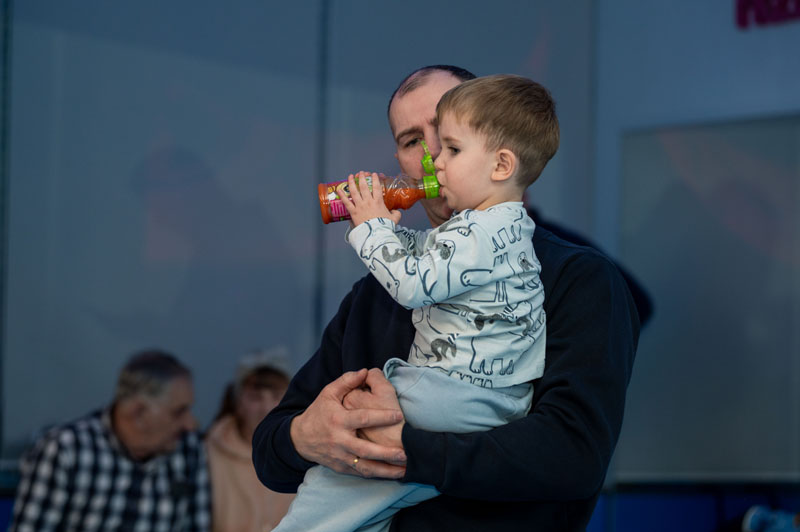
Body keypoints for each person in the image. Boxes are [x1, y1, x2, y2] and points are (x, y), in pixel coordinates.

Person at [253, 65, 640, 531]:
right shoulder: (372, 295)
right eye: (412, 140)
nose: (433, 155)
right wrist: (306, 436)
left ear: (500, 153)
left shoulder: (581, 278)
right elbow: (269, 450)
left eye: (449, 138)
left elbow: (574, 456)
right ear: (400, 161)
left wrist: (406, 449)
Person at [10, 349, 210, 532]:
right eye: (178, 412)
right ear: (138, 413)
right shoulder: (66, 449)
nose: (191, 424)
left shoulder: (190, 451)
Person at [205, 349, 295, 532]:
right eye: (256, 397)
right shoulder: (207, 455)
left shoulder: (306, 455)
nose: (267, 408)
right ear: (238, 404)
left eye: (277, 396)